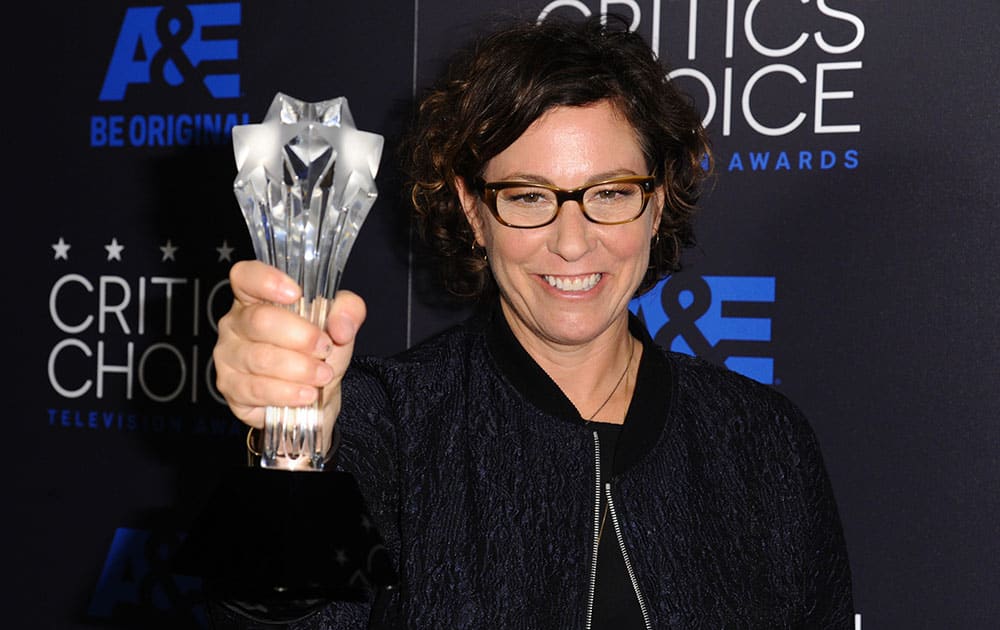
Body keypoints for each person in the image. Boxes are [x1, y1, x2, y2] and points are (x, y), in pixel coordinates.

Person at [211, 14, 854, 629]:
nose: (571, 243)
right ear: (473, 210)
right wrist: (290, 456)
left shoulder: (763, 440)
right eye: (528, 196)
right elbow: (284, 621)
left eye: (610, 192)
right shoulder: (387, 424)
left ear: (655, 206)